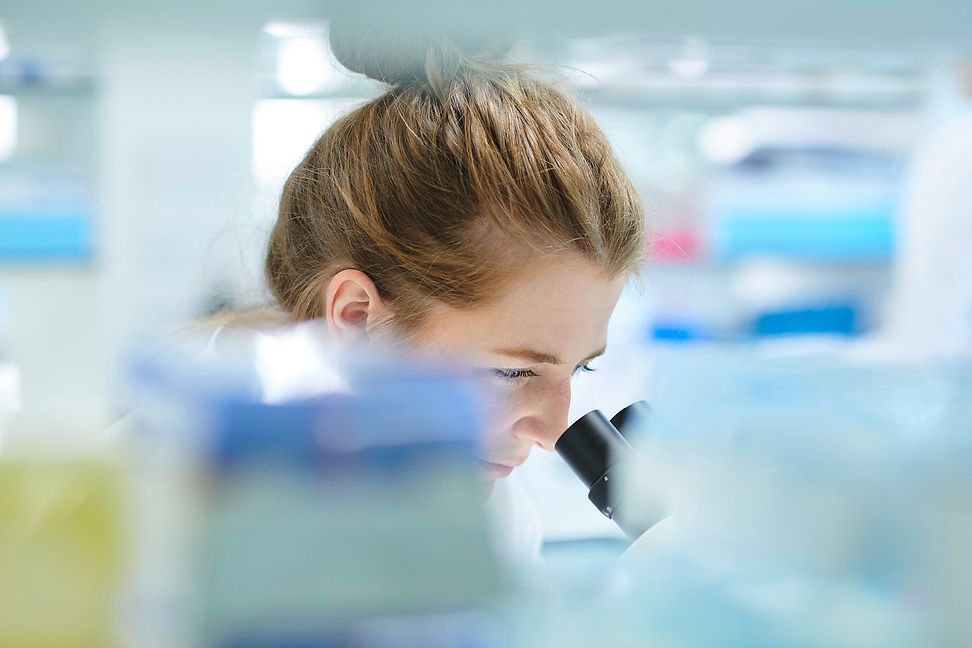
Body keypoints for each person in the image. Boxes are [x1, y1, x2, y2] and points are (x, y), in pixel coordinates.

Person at [257, 25, 647, 560]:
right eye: (510, 372)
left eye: (579, 369)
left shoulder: (488, 512)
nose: (554, 431)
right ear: (355, 320)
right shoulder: (166, 516)